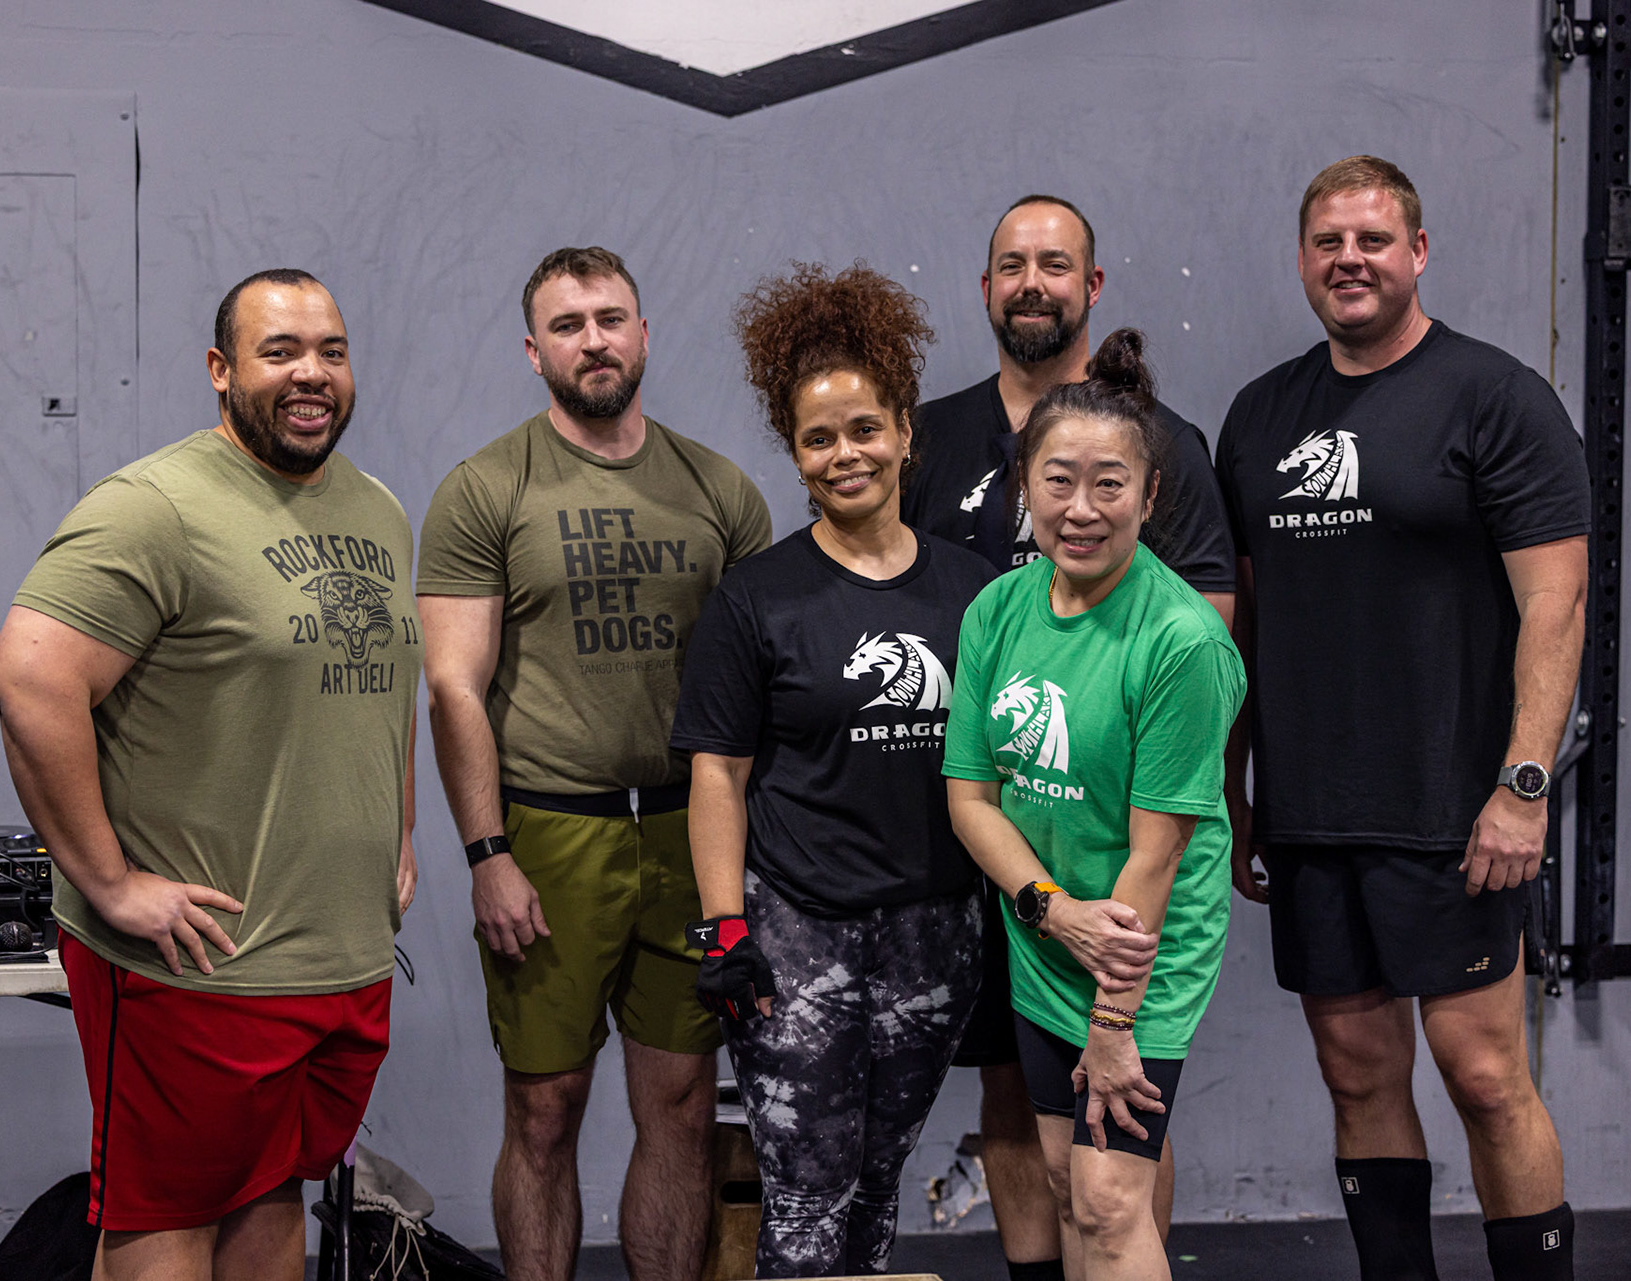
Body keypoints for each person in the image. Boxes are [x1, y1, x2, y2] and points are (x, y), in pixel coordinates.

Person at [0, 268, 421, 1281]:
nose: (311, 373)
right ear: (223, 371)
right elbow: (31, 682)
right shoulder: (155, 507)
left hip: (334, 957)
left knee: (271, 1196)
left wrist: (397, 831)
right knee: (165, 1220)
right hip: (196, 965)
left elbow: (382, 681)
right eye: (281, 352)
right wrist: (108, 883)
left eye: (331, 351)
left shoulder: (377, 508)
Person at [1214, 156, 1588, 1281]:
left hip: (1457, 815)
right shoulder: (1261, 416)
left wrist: (1523, 786)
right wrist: (1236, 791)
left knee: (1486, 1076)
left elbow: (1557, 603)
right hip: (1313, 812)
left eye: (1373, 240)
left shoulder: (1494, 396)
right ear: (1302, 260)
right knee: (1357, 1075)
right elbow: (1240, 624)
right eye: (1328, 241)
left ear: (1418, 252)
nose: (1350, 260)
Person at [417, 247, 771, 1281]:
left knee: (683, 1105)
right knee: (545, 1107)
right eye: (567, 326)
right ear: (535, 352)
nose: (594, 341)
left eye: (611, 319)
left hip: (687, 829)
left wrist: (744, 862)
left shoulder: (719, 489)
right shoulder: (487, 489)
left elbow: (759, 688)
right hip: (548, 833)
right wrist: (487, 853)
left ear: (644, 335)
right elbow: (453, 687)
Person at [901, 193, 1238, 1276]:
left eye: (1110, 485)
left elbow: (1157, 855)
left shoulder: (1180, 640)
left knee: (1105, 1197)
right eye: (1058, 482)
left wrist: (1114, 1019)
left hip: (1138, 943)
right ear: (1026, 489)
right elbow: (970, 794)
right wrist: (1048, 909)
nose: (1082, 507)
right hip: (1049, 930)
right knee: (1063, 1181)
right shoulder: (1000, 609)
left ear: (1150, 492)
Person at [671, 264, 996, 1277]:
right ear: (796, 453)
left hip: (936, 934)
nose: (845, 453)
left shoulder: (975, 592)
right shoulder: (756, 598)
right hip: (796, 935)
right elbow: (717, 775)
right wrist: (725, 928)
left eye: (864, 429)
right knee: (808, 1193)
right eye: (819, 438)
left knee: (877, 1178)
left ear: (903, 431)